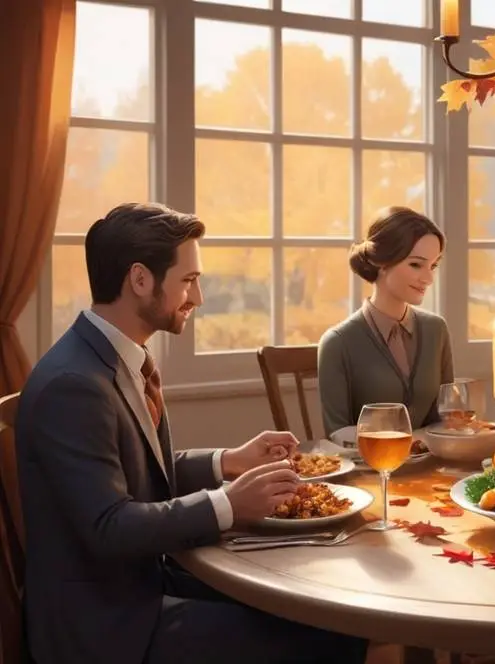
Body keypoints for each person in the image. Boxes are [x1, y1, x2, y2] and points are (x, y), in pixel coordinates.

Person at [15, 202, 368, 664]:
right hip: (106, 627)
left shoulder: (106, 357)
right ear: (140, 279)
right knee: (331, 634)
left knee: (329, 611)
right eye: (188, 280)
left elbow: (136, 470)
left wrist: (230, 461)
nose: (198, 298)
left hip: (138, 588)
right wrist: (227, 504)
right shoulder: (74, 386)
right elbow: (109, 526)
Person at [318, 206, 453, 438]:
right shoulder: (338, 343)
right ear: (381, 262)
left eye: (433, 266)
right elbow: (337, 434)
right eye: (416, 264)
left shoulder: (436, 330)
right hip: (367, 470)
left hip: (430, 470)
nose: (428, 278)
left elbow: (444, 417)